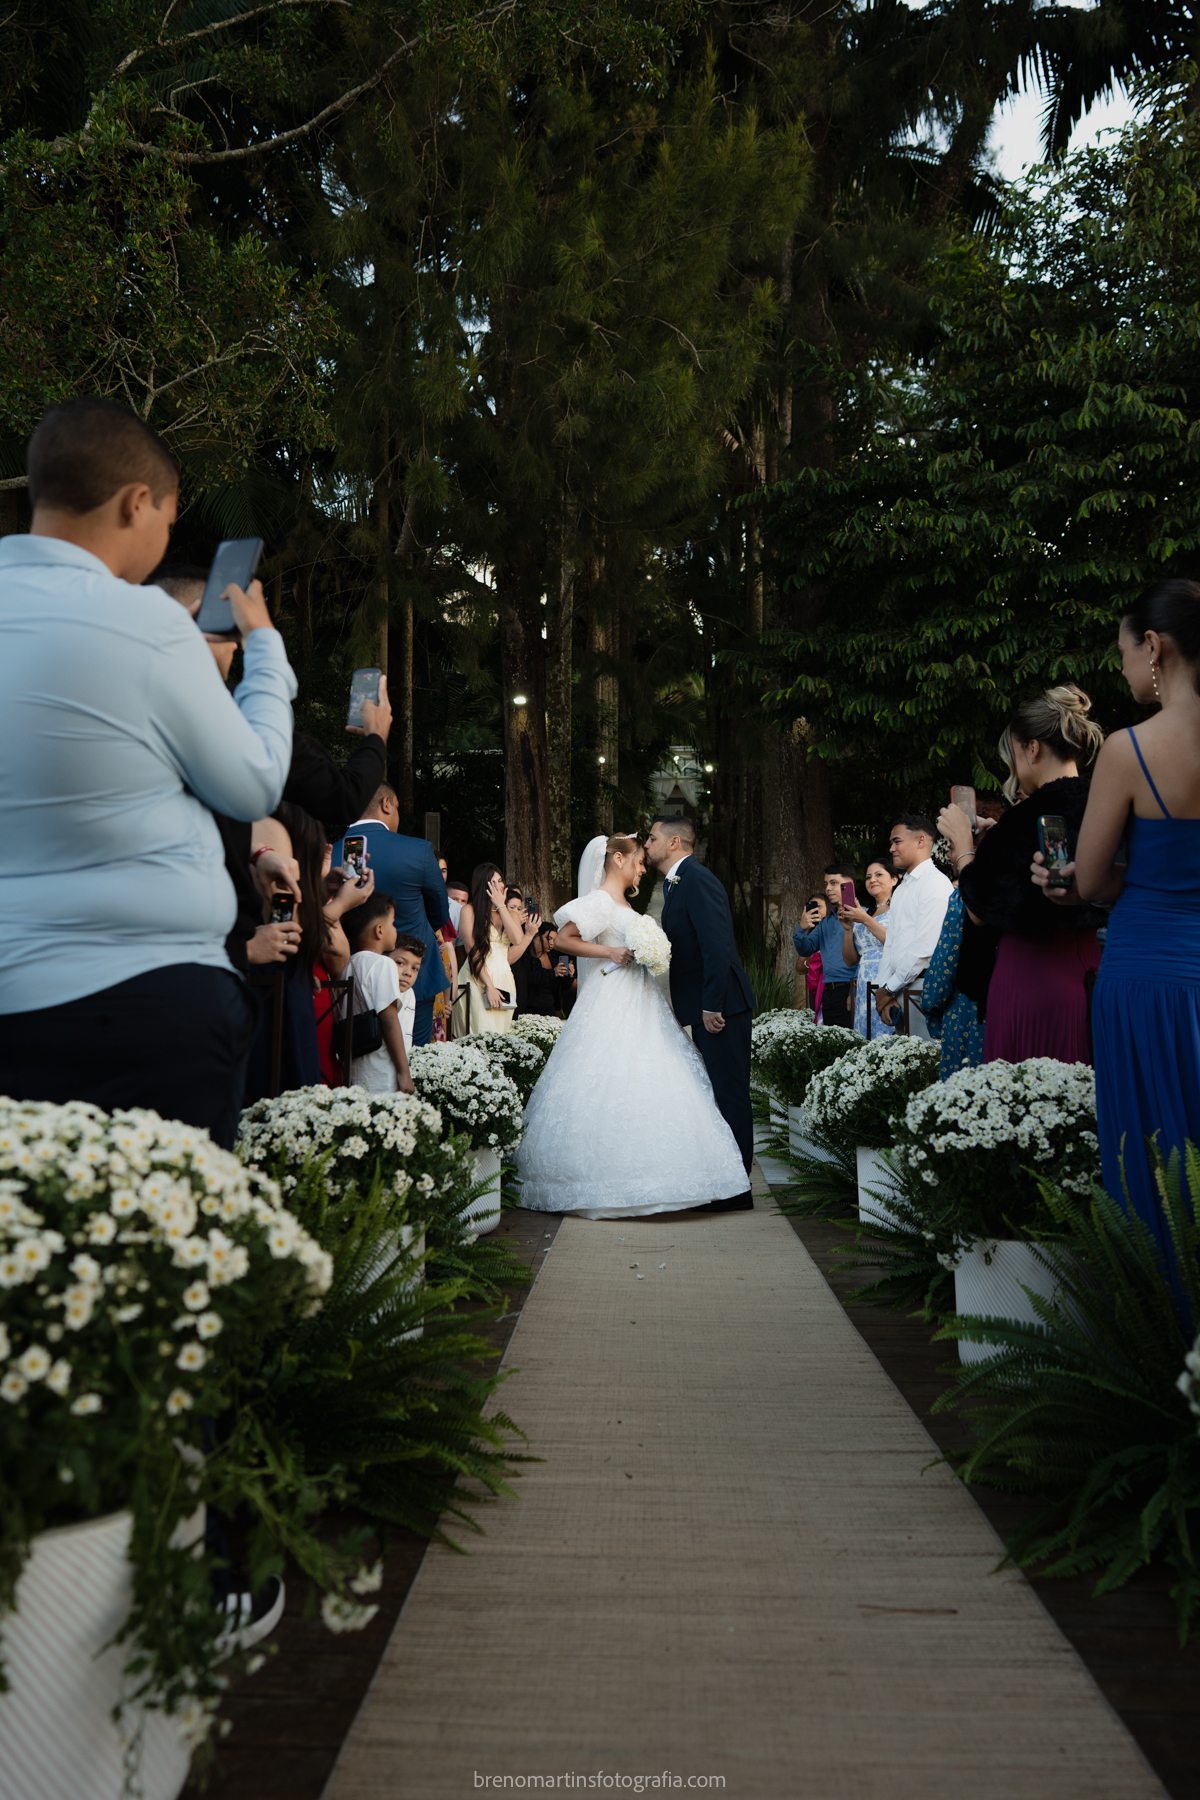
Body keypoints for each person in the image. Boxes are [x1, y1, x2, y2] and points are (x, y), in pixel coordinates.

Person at [0, 398, 295, 1148]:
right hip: (142, 1001)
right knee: (162, 1250)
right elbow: (253, 781)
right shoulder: (146, 621)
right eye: (165, 518)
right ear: (136, 503)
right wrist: (262, 652)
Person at [1032, 581, 1200, 1302]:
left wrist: (1063, 880)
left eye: (1126, 652)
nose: (1125, 670)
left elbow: (1093, 880)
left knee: (1155, 1165)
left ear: (1155, 648)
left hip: (1147, 976)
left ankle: (1165, 1356)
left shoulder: (1132, 750)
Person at [153, 562, 390, 974]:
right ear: (197, 619)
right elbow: (340, 796)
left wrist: (254, 851)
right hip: (199, 963)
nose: (235, 647)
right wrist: (375, 738)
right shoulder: (225, 720)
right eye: (231, 635)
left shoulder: (120, 706)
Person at [516, 833, 749, 1217]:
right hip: (612, 999)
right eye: (639, 859)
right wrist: (610, 950)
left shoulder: (622, 902)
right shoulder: (601, 901)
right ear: (618, 860)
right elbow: (563, 940)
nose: (643, 866)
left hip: (641, 999)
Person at [947, 686, 1104, 1063]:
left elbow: (980, 909)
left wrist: (963, 846)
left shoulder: (1025, 816)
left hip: (1032, 978)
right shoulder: (1104, 800)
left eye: (1014, 754)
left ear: (1032, 748)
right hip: (1096, 974)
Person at [646, 815, 756, 1200]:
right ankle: (725, 1180)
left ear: (674, 842)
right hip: (705, 1008)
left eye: (652, 837)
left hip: (722, 1008)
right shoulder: (676, 883)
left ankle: (738, 1189)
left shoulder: (698, 879)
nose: (646, 844)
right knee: (717, 1093)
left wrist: (712, 1005)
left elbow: (717, 947)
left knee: (730, 1093)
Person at [332, 785, 450, 1046]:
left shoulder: (331, 854)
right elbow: (440, 914)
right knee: (413, 1061)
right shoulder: (419, 851)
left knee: (354, 1062)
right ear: (387, 803)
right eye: (397, 807)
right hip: (413, 973)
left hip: (352, 975)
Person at [873, 816, 953, 1036]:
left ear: (920, 841)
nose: (891, 848)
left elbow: (923, 950)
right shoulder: (901, 889)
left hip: (924, 987)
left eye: (897, 841)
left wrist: (888, 990)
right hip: (897, 990)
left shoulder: (936, 884)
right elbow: (891, 943)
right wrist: (884, 990)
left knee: (924, 1060)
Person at [342, 891, 416, 1094]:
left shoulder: (349, 964)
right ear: (380, 930)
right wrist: (404, 1072)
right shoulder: (383, 963)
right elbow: (389, 1019)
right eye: (393, 923)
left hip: (355, 1070)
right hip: (381, 1071)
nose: (396, 929)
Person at [458, 864, 540, 1033]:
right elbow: (472, 951)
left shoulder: (509, 912)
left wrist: (501, 906)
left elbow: (518, 939)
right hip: (477, 979)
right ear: (484, 885)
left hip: (505, 980)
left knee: (501, 1037)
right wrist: (489, 985)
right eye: (493, 881)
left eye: (501, 880)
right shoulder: (469, 911)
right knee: (479, 1034)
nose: (499, 885)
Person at [919, 889, 985, 1078]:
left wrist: (931, 1004)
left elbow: (945, 960)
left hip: (968, 1007)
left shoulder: (963, 896)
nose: (948, 856)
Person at [839, 858, 900, 1039]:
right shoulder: (865, 912)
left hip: (888, 983)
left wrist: (864, 919)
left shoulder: (898, 909)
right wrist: (848, 929)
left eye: (879, 874)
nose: (872, 880)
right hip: (864, 984)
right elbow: (851, 960)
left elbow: (895, 944)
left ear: (894, 880)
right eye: (868, 877)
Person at [792, 866, 859, 1026]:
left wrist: (854, 992)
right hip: (827, 992)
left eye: (833, 883)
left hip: (852, 991)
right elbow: (805, 949)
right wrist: (802, 928)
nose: (828, 888)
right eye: (826, 883)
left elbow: (866, 958)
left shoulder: (864, 916)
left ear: (849, 884)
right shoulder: (825, 922)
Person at [795, 895, 827, 1019]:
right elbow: (799, 967)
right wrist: (813, 960)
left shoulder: (835, 927)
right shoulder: (808, 933)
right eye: (812, 906)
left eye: (819, 906)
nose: (816, 910)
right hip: (815, 987)